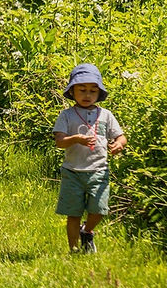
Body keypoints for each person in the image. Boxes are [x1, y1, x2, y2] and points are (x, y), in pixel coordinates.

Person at [53, 63, 127, 254]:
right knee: (73, 213)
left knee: (99, 210)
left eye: (93, 91)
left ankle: (87, 231)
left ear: (99, 93)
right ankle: (74, 249)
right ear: (72, 91)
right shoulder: (67, 115)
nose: (87, 95)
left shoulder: (105, 115)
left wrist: (119, 144)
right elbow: (59, 141)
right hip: (73, 172)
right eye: (82, 90)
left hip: (99, 171)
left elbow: (121, 136)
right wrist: (75, 139)